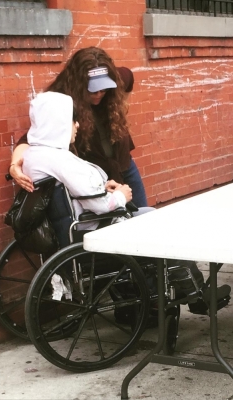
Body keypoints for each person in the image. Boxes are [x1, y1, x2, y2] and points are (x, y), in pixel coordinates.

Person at [22, 90, 230, 318]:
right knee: (165, 229)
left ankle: (185, 292)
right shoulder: (60, 160)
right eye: (72, 120)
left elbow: (78, 192)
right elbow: (100, 206)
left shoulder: (34, 156)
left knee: (149, 213)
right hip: (92, 232)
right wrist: (121, 195)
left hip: (70, 232)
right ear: (57, 123)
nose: (77, 125)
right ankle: (196, 294)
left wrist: (102, 187)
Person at [9, 47, 148, 207]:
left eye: (104, 88)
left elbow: (128, 77)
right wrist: (14, 167)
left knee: (144, 215)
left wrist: (118, 107)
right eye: (93, 90)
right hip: (97, 178)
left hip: (124, 164)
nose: (99, 93)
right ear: (78, 84)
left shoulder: (115, 81)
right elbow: (31, 138)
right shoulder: (62, 100)